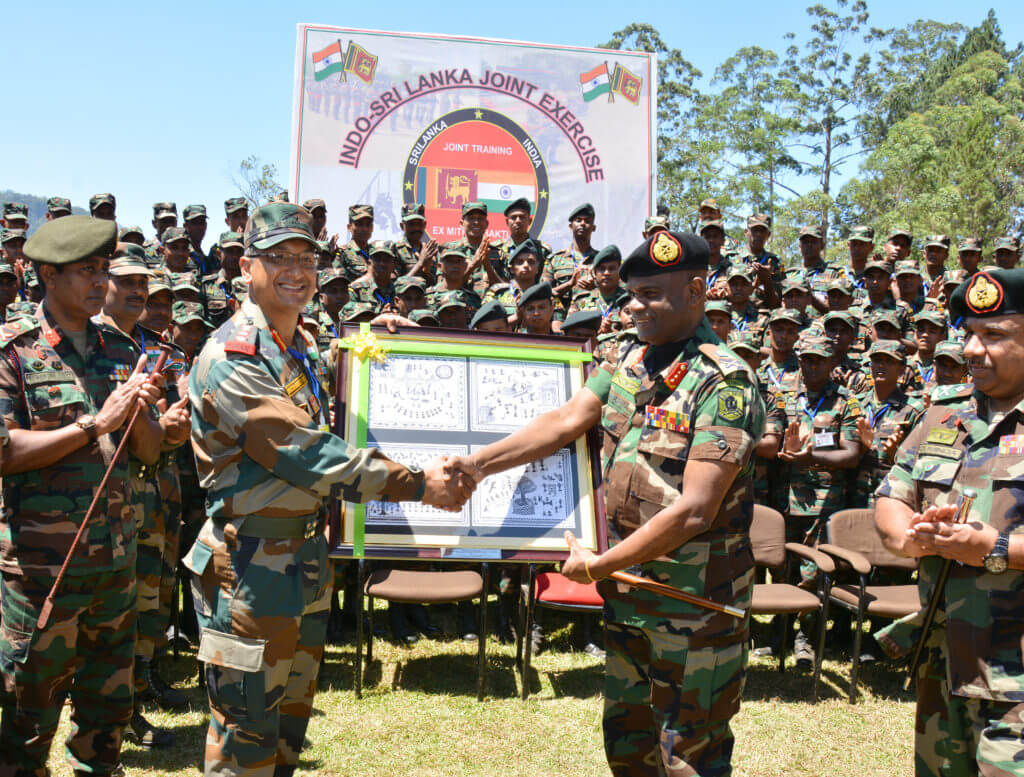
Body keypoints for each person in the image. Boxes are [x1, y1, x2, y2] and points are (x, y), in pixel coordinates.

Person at [182, 202, 479, 777]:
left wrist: (372, 335)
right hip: (248, 570)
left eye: (305, 257)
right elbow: (309, 454)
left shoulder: (298, 343)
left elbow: (329, 370)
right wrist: (420, 485)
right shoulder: (231, 357)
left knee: (288, 728)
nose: (295, 270)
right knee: (245, 735)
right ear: (247, 267)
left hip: (304, 562)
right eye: (278, 258)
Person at [469, 229, 764, 777]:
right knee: (628, 748)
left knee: (688, 757)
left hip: (693, 608)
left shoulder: (725, 383)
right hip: (630, 598)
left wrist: (600, 565)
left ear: (697, 290)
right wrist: (477, 464)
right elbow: (564, 421)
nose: (634, 304)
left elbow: (696, 508)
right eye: (631, 293)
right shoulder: (627, 360)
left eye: (651, 293)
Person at [0, 215, 164, 777]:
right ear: (47, 274)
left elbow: (148, 450)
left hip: (114, 566)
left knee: (107, 717)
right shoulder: (14, 352)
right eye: (86, 271)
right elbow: (4, 450)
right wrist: (96, 425)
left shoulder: (118, 347)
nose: (100, 283)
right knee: (26, 721)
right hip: (41, 572)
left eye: (103, 271)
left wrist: (142, 410)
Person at [874, 268, 1024, 777]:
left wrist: (996, 547)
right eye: (969, 335)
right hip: (943, 663)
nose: (974, 350)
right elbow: (893, 495)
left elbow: (991, 546)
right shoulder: (944, 413)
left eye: (995, 336)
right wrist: (911, 538)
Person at [544, 203, 599, 307]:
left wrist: (596, 285)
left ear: (594, 228)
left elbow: (616, 291)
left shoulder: (601, 261)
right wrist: (569, 284)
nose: (582, 224)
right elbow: (543, 293)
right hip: (561, 319)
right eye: (578, 220)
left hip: (592, 317)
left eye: (587, 221)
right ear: (571, 226)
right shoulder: (555, 260)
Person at [335, 204, 374, 281]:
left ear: (372, 227)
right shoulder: (342, 253)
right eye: (359, 224)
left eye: (368, 224)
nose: (364, 228)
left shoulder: (377, 253)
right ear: (349, 227)